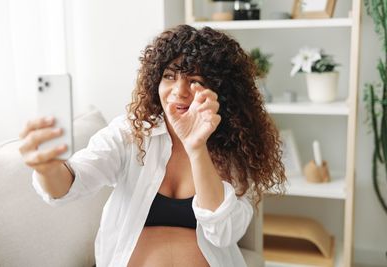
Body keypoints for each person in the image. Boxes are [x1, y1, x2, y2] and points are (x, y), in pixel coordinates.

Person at [19, 24, 285, 267]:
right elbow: (71, 184)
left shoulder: (235, 148)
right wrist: (47, 168)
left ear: (221, 92)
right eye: (169, 76)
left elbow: (224, 232)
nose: (179, 91)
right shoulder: (130, 133)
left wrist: (196, 147)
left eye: (195, 81)